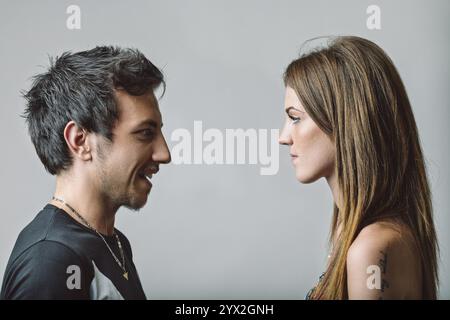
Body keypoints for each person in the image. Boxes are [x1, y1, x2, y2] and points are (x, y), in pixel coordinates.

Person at [1, 46, 171, 299]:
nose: (164, 154)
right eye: (145, 133)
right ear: (80, 141)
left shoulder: (114, 243)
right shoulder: (50, 261)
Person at [279, 36, 438, 299]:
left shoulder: (372, 246)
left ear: (345, 122)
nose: (283, 137)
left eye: (295, 118)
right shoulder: (355, 233)